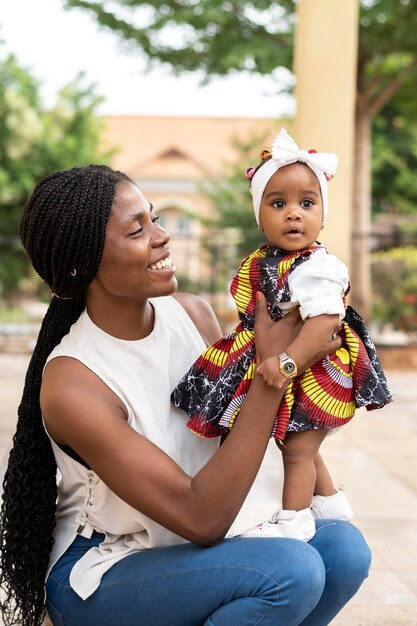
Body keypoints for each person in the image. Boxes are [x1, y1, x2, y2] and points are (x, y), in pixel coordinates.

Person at [0, 164, 372, 626]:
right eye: (138, 230)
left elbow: (240, 434)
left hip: (186, 550)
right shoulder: (74, 382)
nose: (163, 236)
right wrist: (271, 374)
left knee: (343, 550)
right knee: (289, 573)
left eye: (154, 218)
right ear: (82, 262)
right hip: (106, 569)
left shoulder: (191, 314)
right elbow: (200, 518)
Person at [173, 128, 392, 542]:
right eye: (279, 204)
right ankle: (329, 501)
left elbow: (325, 323)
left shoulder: (317, 267)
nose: (294, 213)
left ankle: (293, 519)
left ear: (322, 216)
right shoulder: (265, 260)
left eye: (307, 203)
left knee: (297, 450)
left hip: (316, 371)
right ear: (260, 217)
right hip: (279, 359)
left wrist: (287, 361)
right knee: (299, 442)